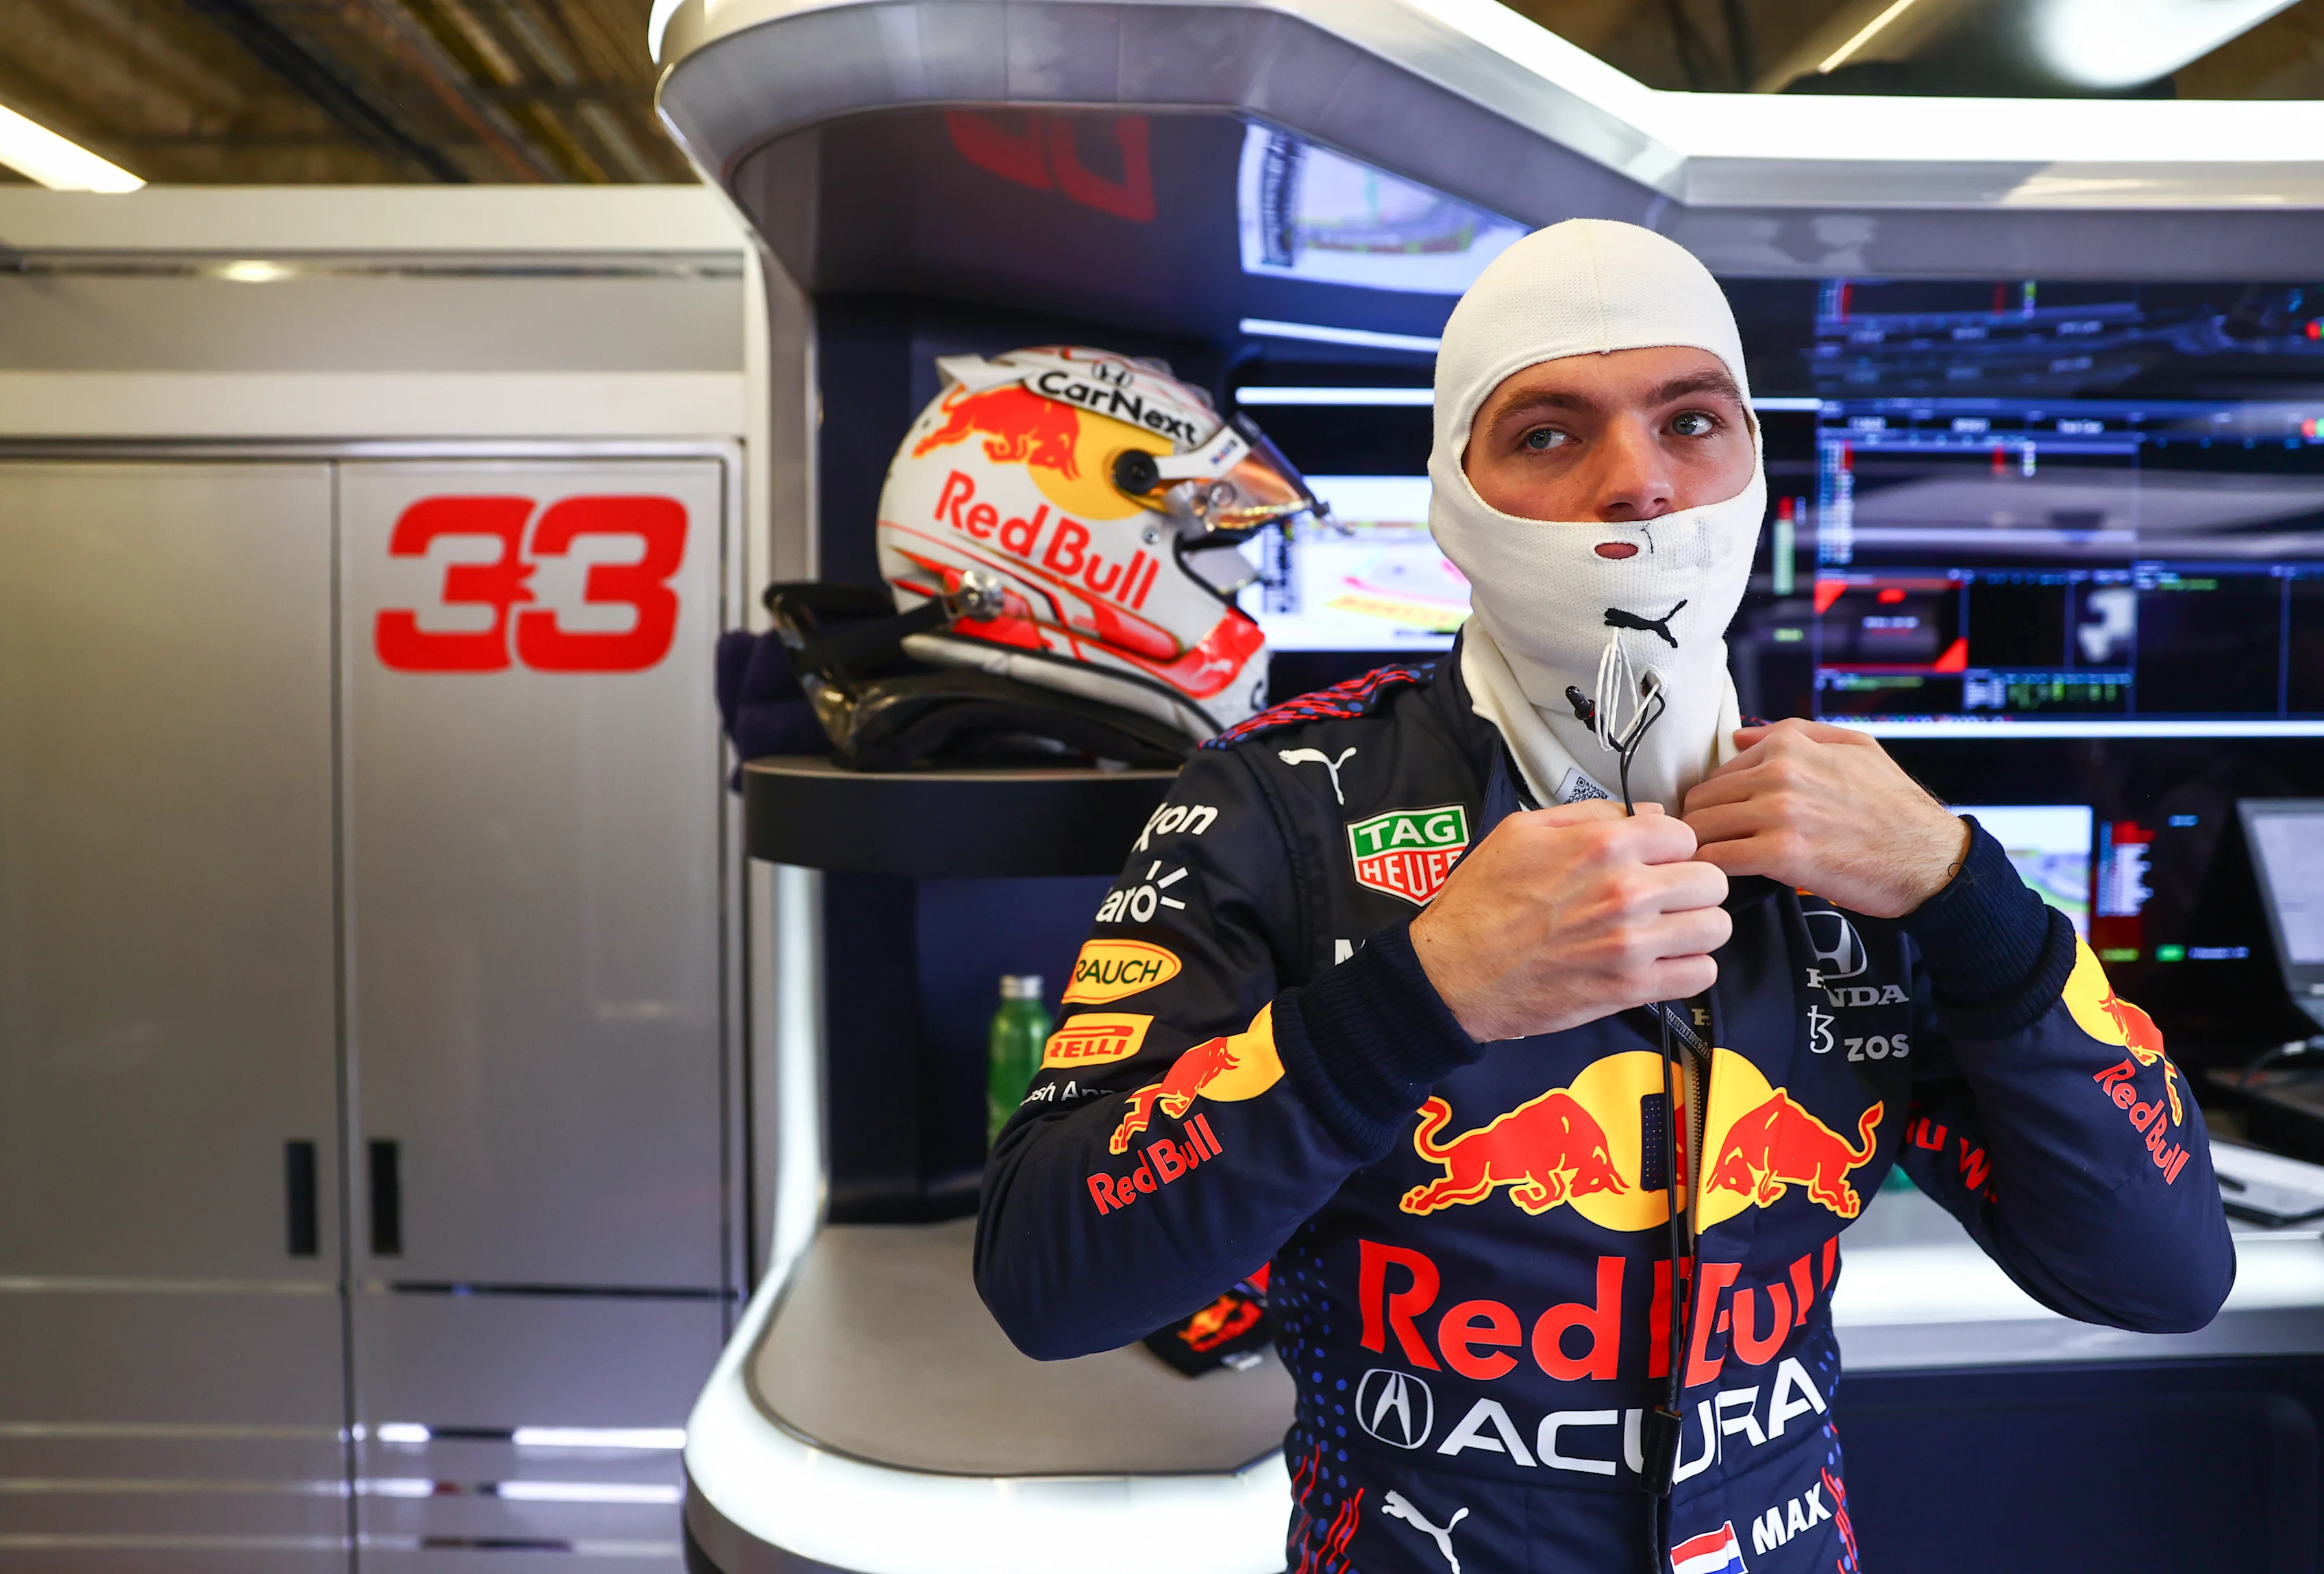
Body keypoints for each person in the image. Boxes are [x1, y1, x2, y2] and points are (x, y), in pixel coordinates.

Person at [975, 219, 2233, 1573]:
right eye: (1549, 433)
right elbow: (1049, 1278)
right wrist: (1415, 996)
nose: (1639, 481)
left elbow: (2159, 1274)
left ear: (1753, 463)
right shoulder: (1273, 803)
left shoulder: (1866, 834)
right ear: (1453, 499)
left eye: (1692, 418)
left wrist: (1961, 890)